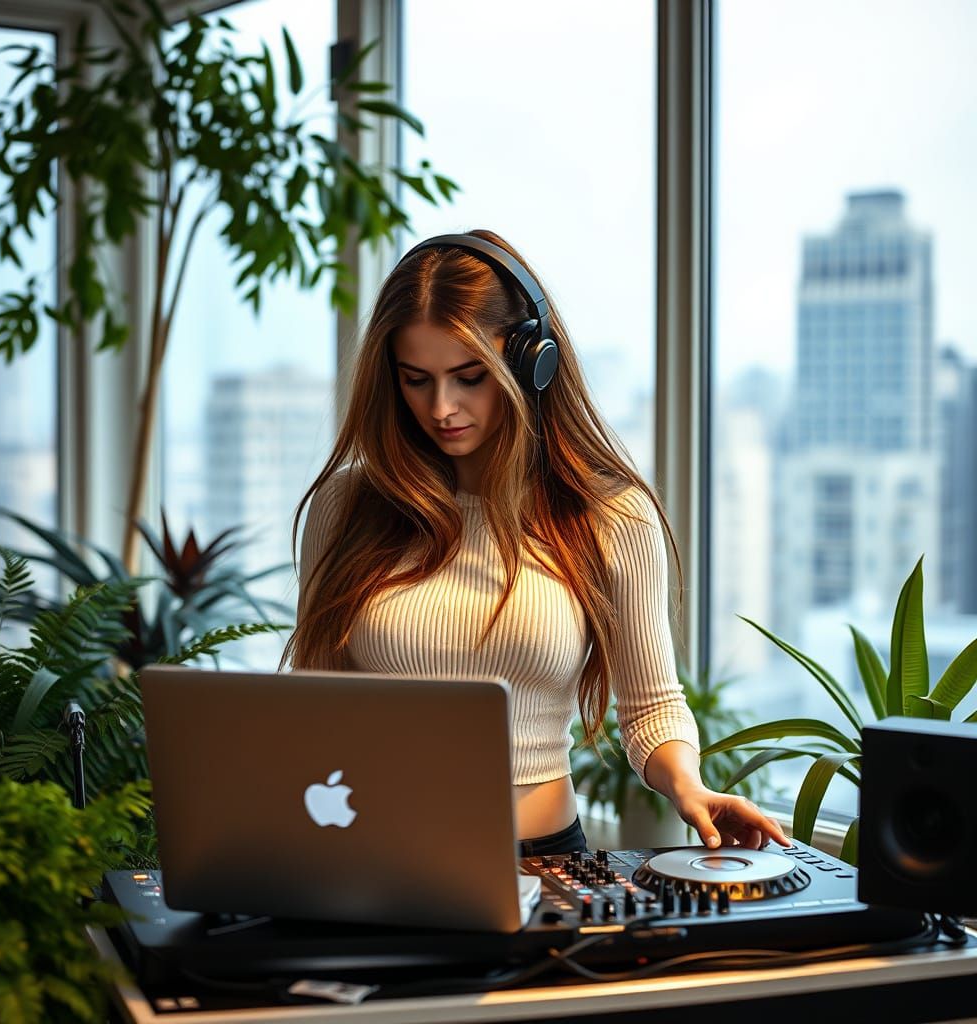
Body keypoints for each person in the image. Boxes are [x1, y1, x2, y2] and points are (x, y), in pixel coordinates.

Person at [284, 229, 788, 857]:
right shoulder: (348, 508)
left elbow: (652, 704)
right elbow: (313, 707)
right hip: (381, 857)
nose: (442, 407)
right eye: (417, 380)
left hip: (545, 860)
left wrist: (689, 785)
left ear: (531, 363)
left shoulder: (610, 517)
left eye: (470, 377)